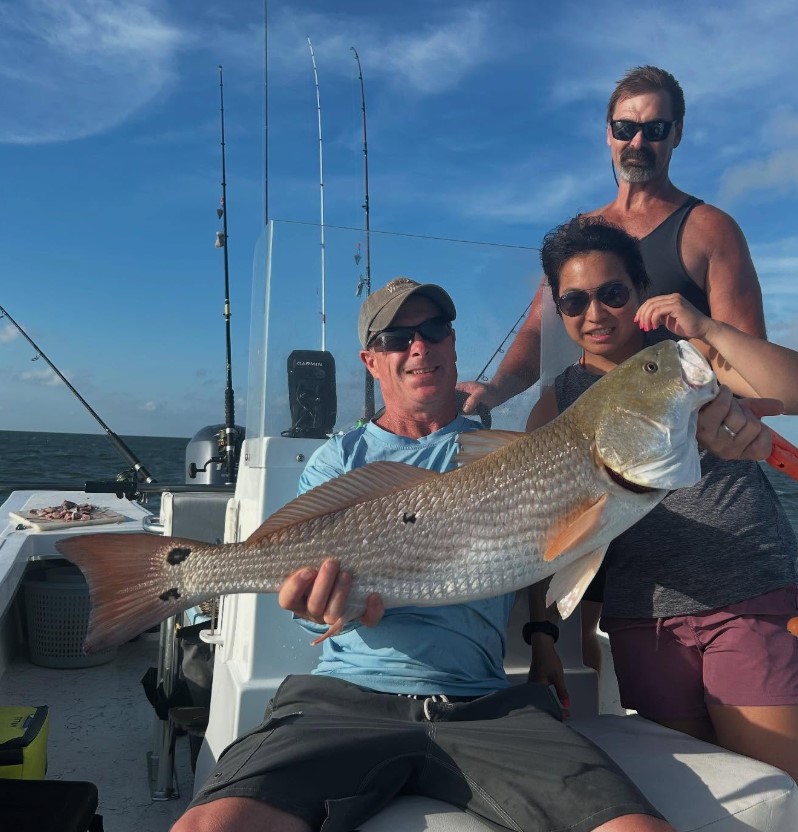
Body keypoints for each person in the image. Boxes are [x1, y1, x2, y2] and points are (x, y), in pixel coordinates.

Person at [173, 277, 678, 832]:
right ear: (371, 361)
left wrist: (543, 638)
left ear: (453, 344)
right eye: (396, 337)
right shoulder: (338, 460)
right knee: (208, 827)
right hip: (344, 700)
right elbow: (301, 585)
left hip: (485, 705)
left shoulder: (507, 452)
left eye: (434, 329)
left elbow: (543, 544)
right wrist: (311, 605)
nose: (420, 345)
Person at [459, 65, 768, 670]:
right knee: (589, 631)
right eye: (626, 127)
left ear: (677, 134)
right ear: (607, 133)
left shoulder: (708, 229)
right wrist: (491, 390)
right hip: (592, 457)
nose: (639, 142)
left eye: (655, 128)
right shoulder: (581, 233)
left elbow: (746, 355)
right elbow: (536, 332)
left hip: (678, 463)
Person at [526, 216, 798, 784]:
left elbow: (791, 391)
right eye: (574, 301)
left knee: (779, 790)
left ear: (642, 291)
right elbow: (542, 529)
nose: (595, 314)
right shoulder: (557, 403)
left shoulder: (690, 357)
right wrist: (544, 634)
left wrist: (711, 328)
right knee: (701, 799)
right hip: (644, 623)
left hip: (745, 593)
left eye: (613, 294)